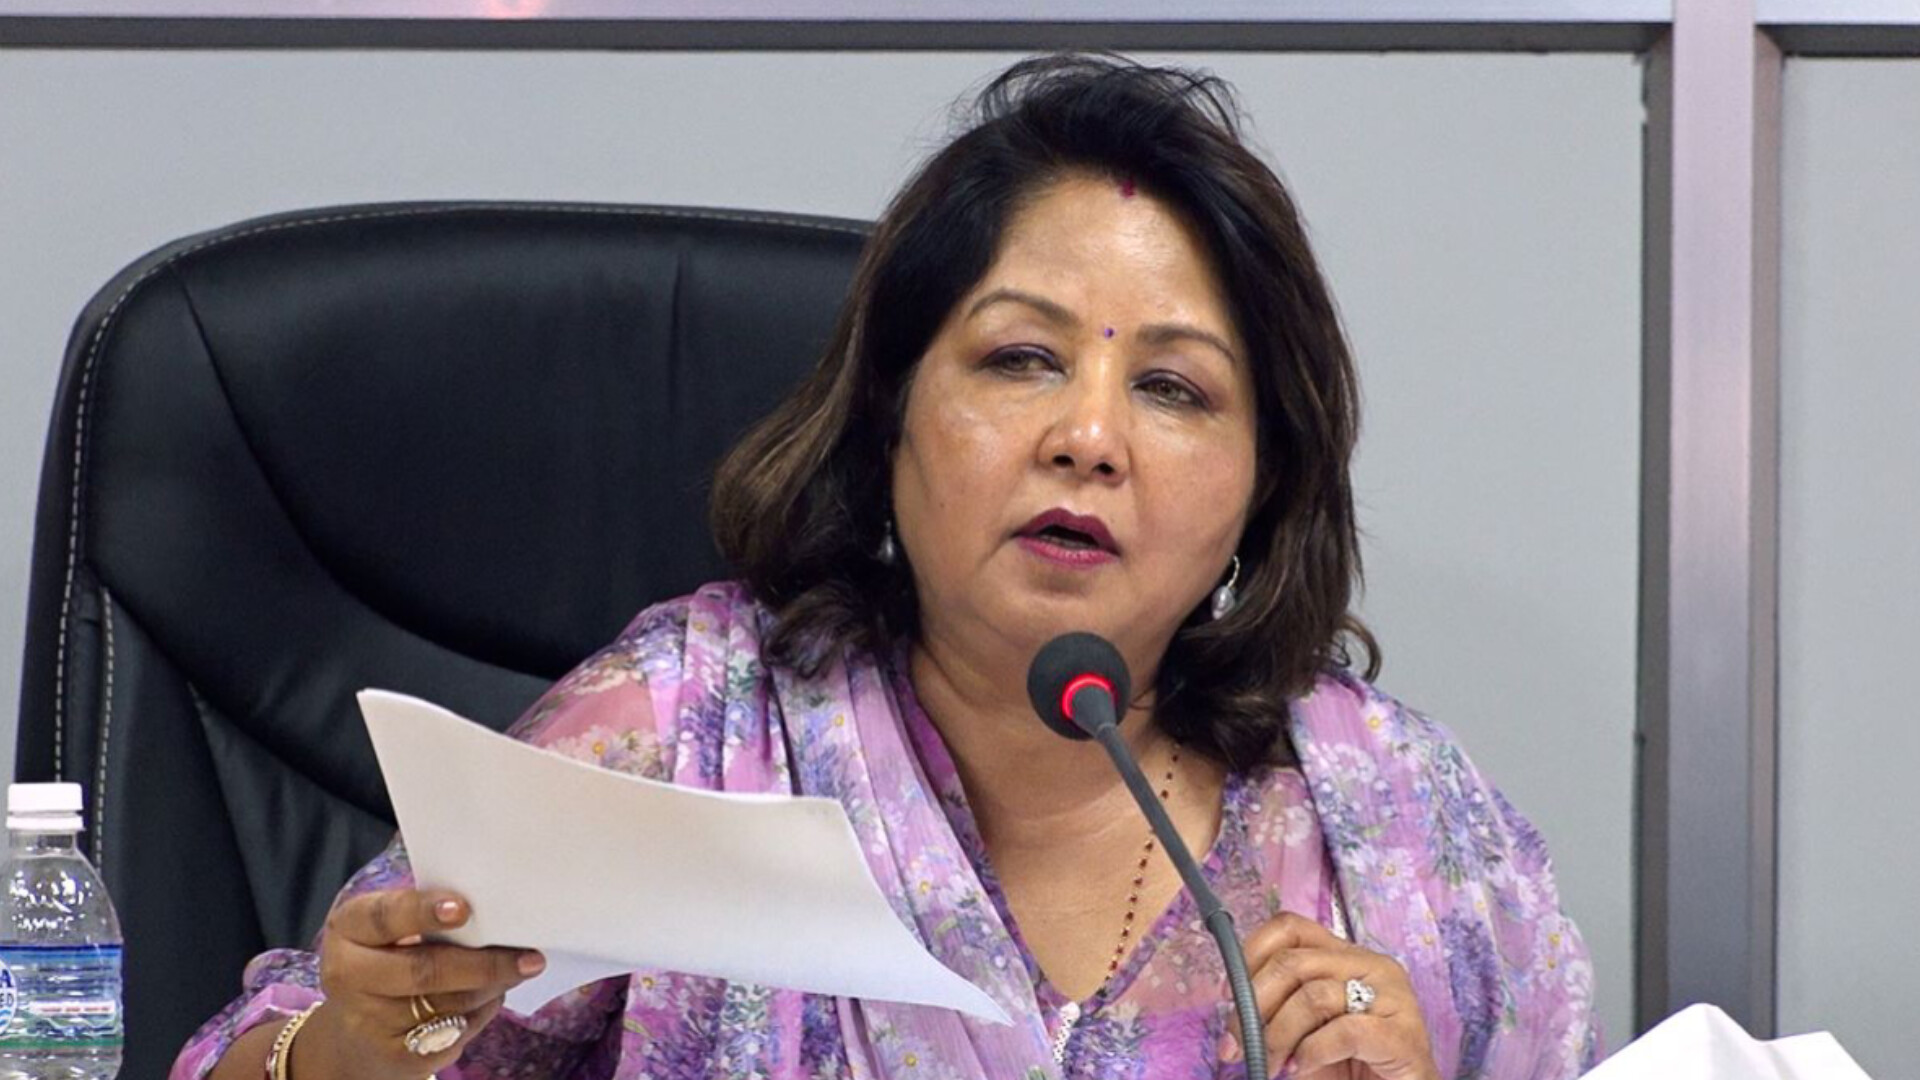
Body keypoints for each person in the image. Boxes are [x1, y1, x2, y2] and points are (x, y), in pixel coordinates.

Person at [175, 54, 1598, 1080]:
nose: (1088, 437)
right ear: (890, 413)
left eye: (1173, 389)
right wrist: (356, 1046)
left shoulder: (1397, 825)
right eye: (1020, 359)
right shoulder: (693, 725)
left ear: (1262, 485)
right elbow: (269, 1046)